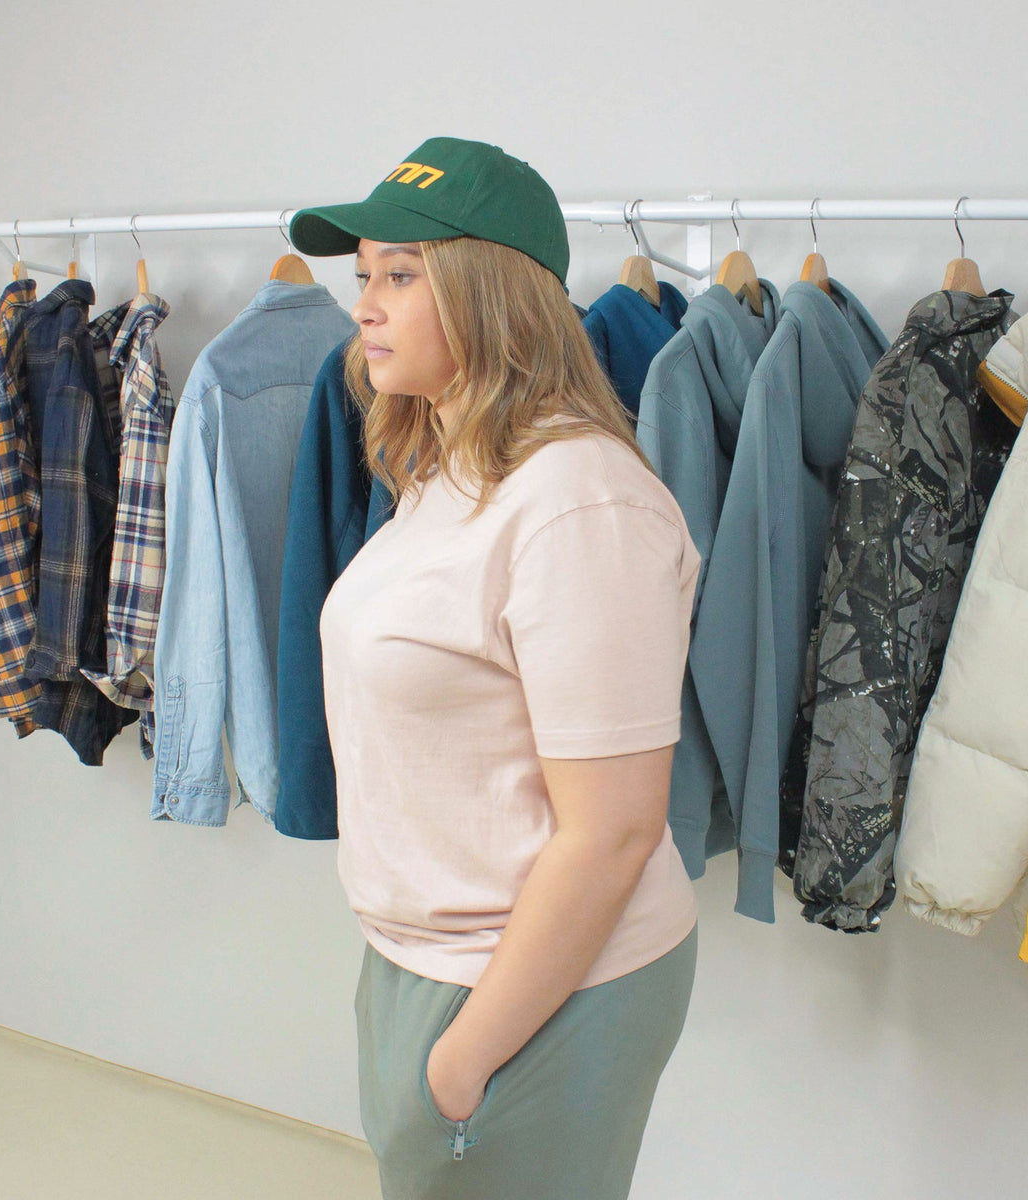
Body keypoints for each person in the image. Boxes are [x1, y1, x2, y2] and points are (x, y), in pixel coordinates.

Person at [290, 137, 700, 1200]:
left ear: (492, 295)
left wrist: (464, 1061)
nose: (365, 307)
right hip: (425, 963)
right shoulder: (447, 468)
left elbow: (612, 831)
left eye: (400, 275)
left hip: (532, 986)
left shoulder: (579, 502)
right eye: (362, 276)